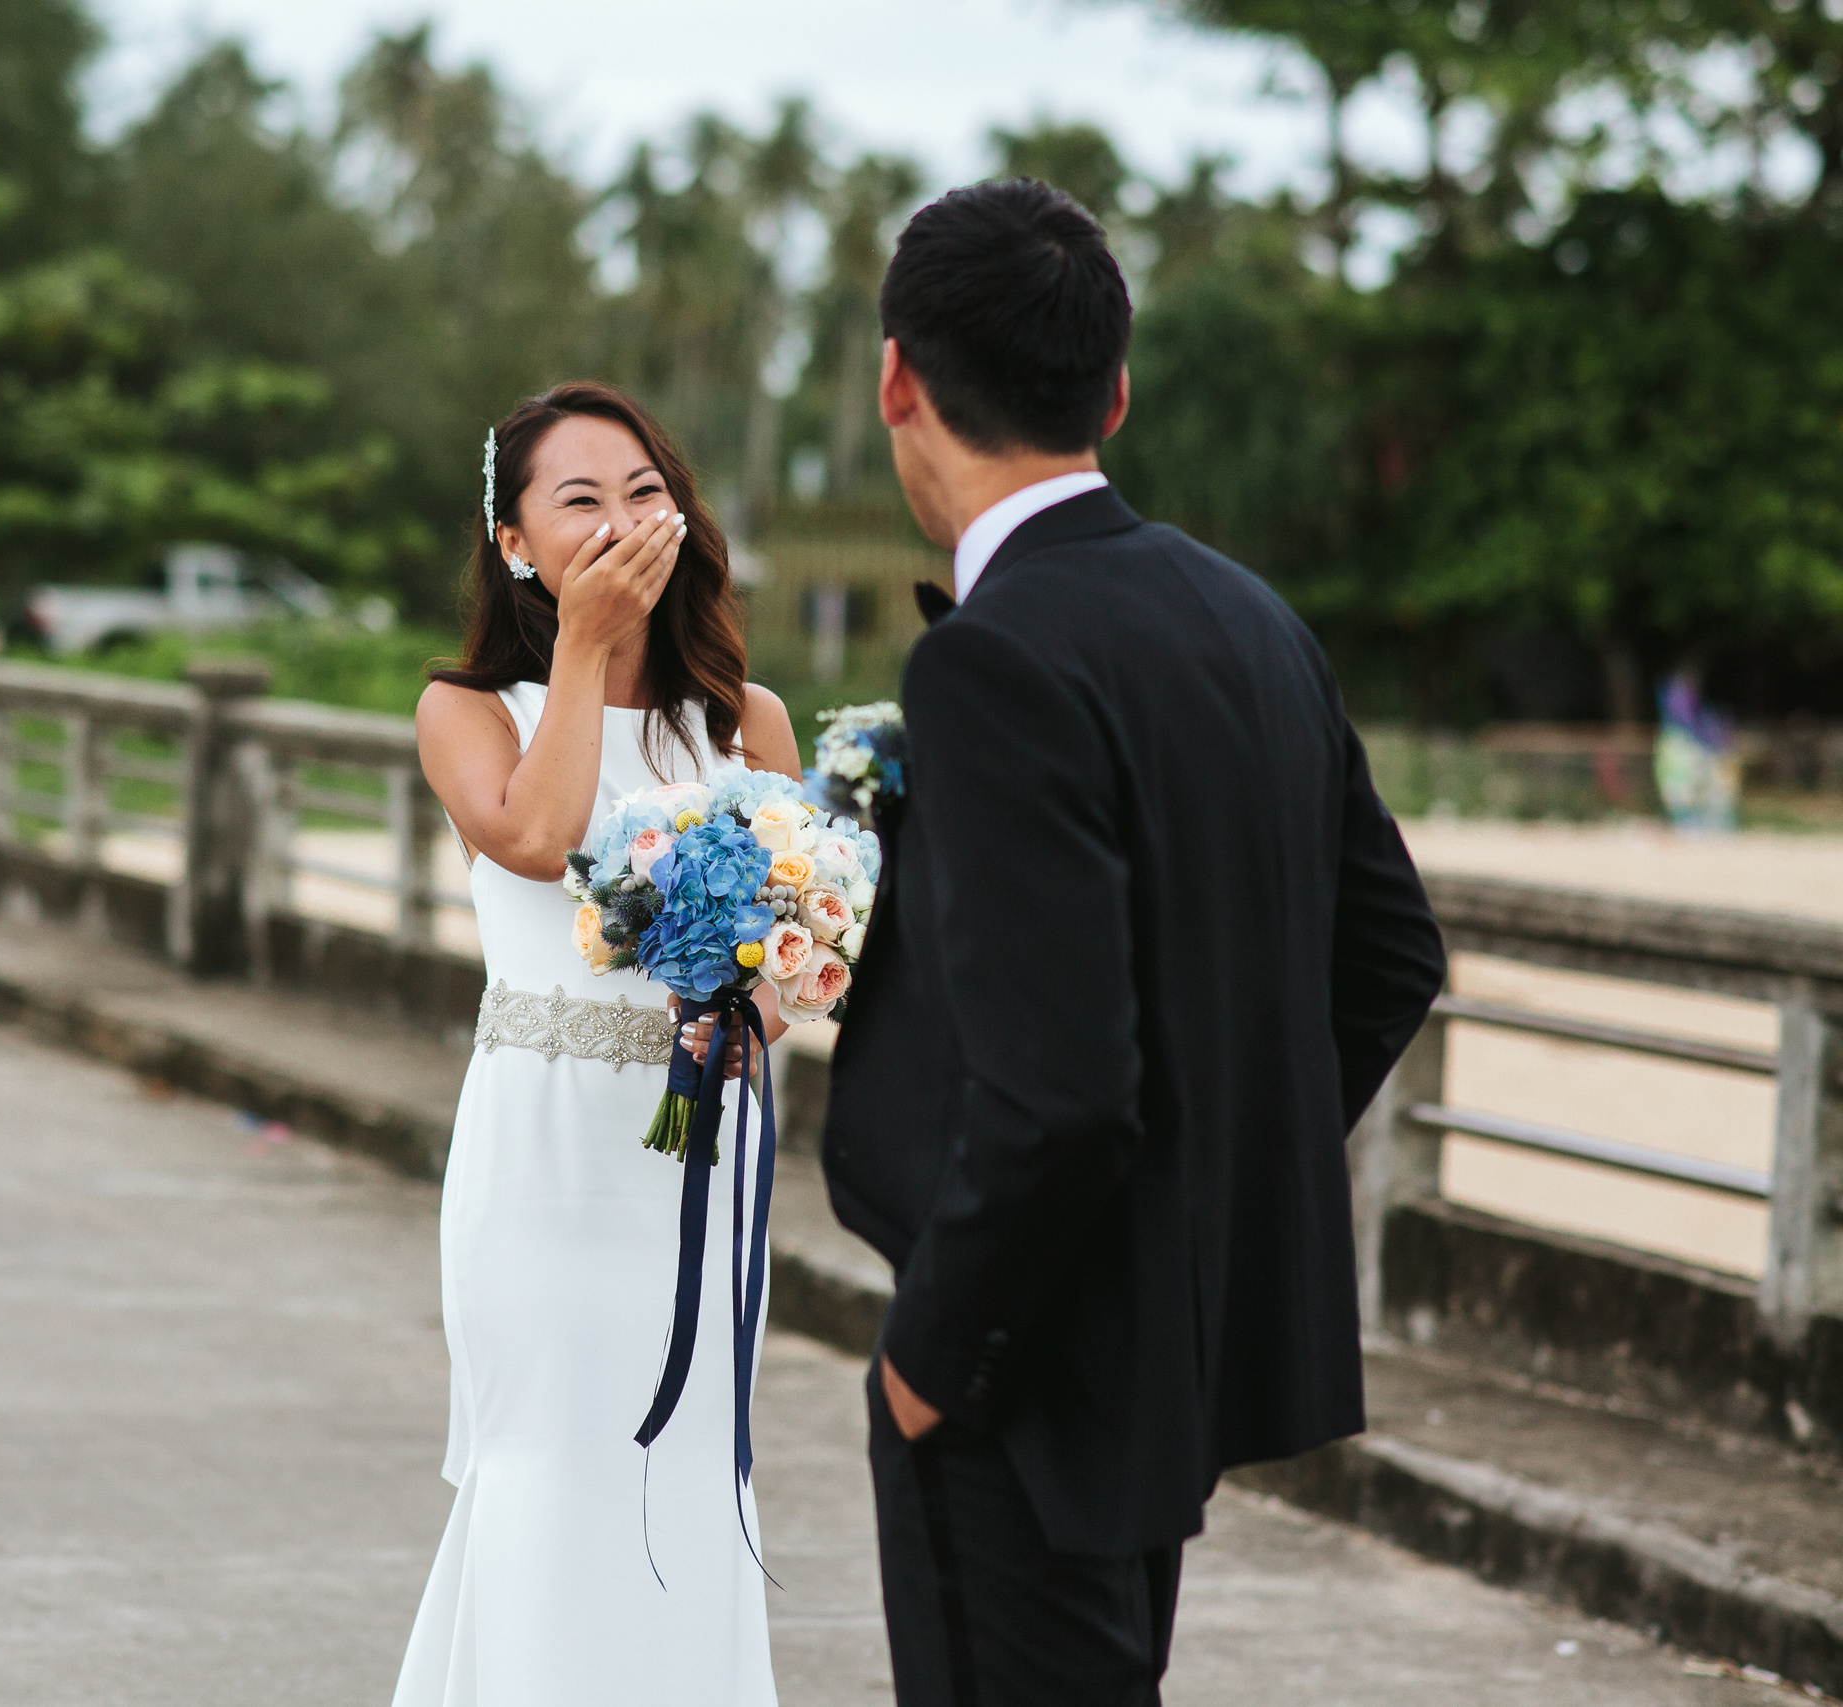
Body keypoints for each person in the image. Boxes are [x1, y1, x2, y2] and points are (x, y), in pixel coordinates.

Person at [821, 180, 1447, 1705]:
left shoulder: (994, 658)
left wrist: (932, 1363)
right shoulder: (1250, 617)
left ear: (897, 378)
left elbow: (1060, 1093)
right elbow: (1388, 958)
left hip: (1019, 1368)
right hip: (1163, 1347)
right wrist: (1198, 1191)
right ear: (1113, 392)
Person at [395, 380, 801, 1707]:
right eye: (580, 500)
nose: (621, 521)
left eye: (643, 492)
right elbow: (536, 835)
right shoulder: (468, 710)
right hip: (544, 1159)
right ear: (515, 542)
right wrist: (581, 649)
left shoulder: (747, 722)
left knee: (688, 1466)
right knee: (549, 1467)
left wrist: (756, 1019)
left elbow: (795, 948)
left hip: (700, 1156)